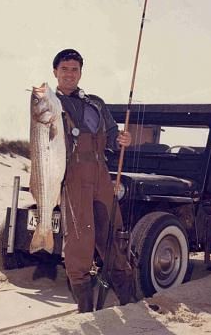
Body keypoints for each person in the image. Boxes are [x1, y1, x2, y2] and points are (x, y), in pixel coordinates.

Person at [53, 48, 133, 313]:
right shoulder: (50, 104)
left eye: (74, 69)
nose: (69, 74)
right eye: (64, 68)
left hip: (100, 172)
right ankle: (85, 308)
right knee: (79, 239)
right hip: (72, 175)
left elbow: (112, 135)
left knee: (113, 232)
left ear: (80, 73)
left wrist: (122, 139)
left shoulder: (95, 102)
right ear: (55, 72)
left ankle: (130, 300)